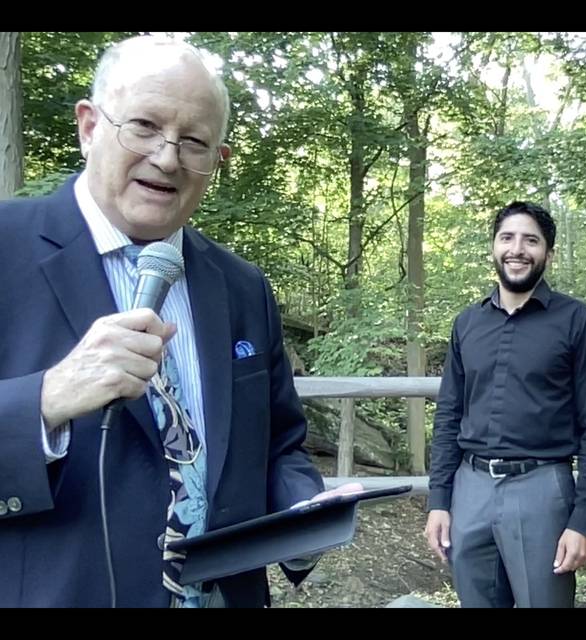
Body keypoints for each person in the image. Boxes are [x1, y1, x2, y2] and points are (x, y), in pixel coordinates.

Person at [0, 36, 358, 608]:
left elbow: (282, 444)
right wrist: (45, 401)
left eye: (193, 141)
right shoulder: (6, 248)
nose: (167, 157)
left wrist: (302, 516)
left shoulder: (243, 288)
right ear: (89, 127)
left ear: (216, 162)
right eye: (144, 125)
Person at [423, 201, 586, 608]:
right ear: (493, 246)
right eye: (507, 237)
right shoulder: (467, 324)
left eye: (531, 240)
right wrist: (439, 501)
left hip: (541, 487)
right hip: (469, 489)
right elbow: (449, 416)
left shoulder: (579, 322)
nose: (517, 249)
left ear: (549, 253)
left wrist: (582, 520)